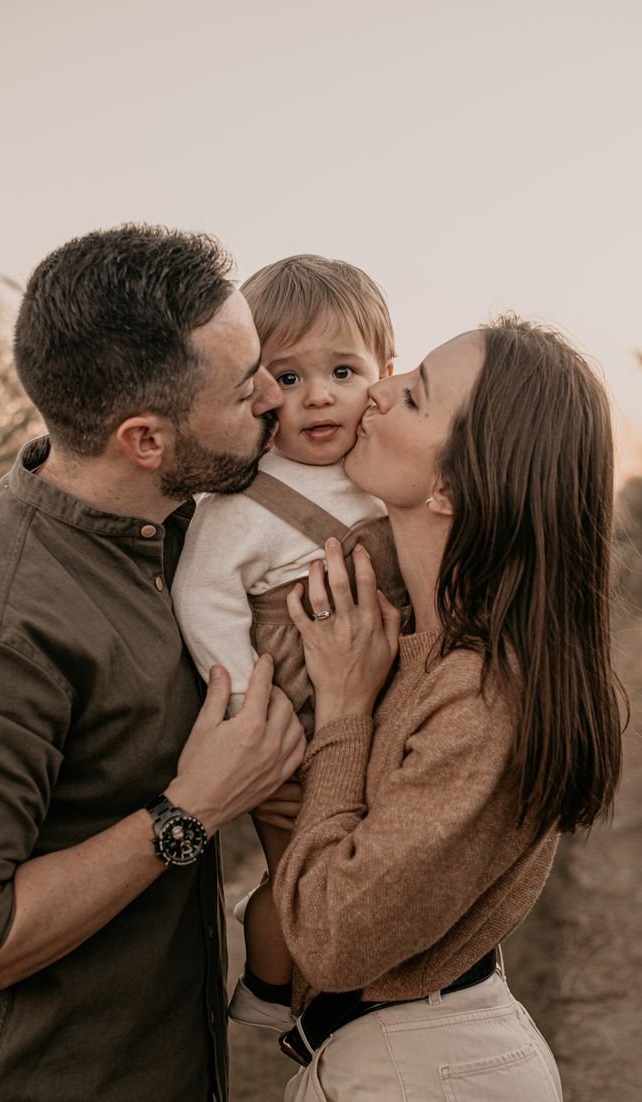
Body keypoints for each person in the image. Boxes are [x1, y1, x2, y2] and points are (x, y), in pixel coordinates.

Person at [0, 224, 306, 1102]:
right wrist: (191, 810)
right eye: (247, 389)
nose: (277, 395)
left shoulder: (175, 537)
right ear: (146, 441)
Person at [270, 318, 625, 1100]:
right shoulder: (415, 645)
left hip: (421, 1073)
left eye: (415, 395)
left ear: (452, 486)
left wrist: (340, 712)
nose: (380, 389)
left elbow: (332, 938)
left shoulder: (485, 698)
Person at [171, 254, 403, 1033]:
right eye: (291, 377)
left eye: (342, 370)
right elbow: (202, 595)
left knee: (368, 856)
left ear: (385, 372)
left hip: (377, 694)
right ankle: (274, 993)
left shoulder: (383, 470)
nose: (320, 396)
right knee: (298, 867)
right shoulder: (246, 499)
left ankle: (357, 980)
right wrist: (247, 702)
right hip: (294, 709)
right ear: (261, 389)